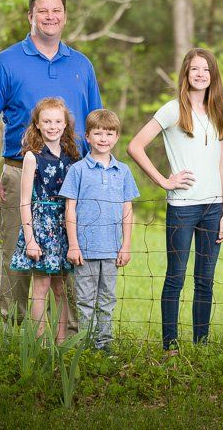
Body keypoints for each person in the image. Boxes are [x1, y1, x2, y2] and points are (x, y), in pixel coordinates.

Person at [0, 0, 102, 322]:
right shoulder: (5, 62)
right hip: (22, 172)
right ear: (31, 16)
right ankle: (12, 331)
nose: (50, 17)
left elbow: (95, 122)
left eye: (56, 10)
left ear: (64, 16)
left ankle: (71, 336)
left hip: (72, 174)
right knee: (15, 253)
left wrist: (96, 173)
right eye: (43, 11)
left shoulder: (81, 64)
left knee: (72, 252)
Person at [127, 48, 223, 352]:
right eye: (194, 69)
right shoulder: (173, 109)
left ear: (213, 75)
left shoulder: (218, 112)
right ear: (186, 74)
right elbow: (135, 146)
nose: (200, 75)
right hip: (183, 209)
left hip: (213, 209)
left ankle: (201, 346)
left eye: (206, 70)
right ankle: (170, 346)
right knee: (175, 277)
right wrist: (164, 181)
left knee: (205, 280)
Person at [59, 109, 140, 351]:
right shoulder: (78, 171)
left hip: (112, 249)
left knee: (107, 300)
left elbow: (128, 210)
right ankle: (84, 347)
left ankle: (104, 346)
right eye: (98, 133)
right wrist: (73, 245)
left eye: (109, 133)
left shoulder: (123, 171)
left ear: (116, 137)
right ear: (87, 136)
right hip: (85, 249)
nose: (103, 138)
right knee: (84, 300)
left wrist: (126, 246)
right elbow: (70, 210)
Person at [8, 97, 79, 342]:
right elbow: (25, 201)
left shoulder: (71, 156)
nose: (52, 126)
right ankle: (39, 344)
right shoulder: (32, 157)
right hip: (41, 227)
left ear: (65, 124)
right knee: (40, 286)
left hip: (63, 225)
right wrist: (30, 239)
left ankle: (60, 343)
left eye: (58, 121)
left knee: (60, 288)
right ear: (37, 124)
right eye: (46, 121)